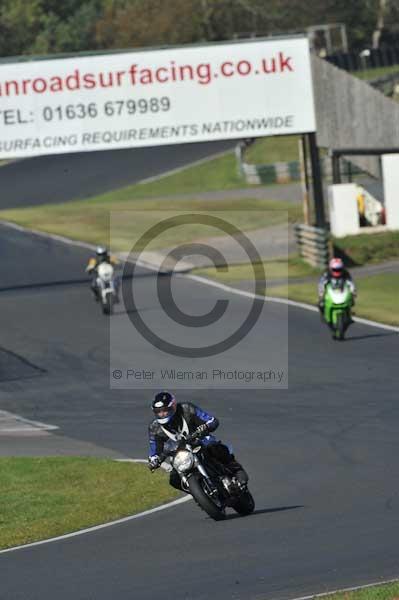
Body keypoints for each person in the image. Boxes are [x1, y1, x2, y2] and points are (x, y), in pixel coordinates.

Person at [148, 391, 248, 491]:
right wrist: (154, 460)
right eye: (158, 411)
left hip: (199, 440)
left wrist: (206, 426)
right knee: (174, 479)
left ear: (173, 407)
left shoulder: (186, 409)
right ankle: (199, 493)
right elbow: (154, 450)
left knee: (212, 446)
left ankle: (236, 469)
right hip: (180, 453)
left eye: (165, 410)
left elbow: (211, 420)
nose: (162, 414)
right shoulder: (154, 428)